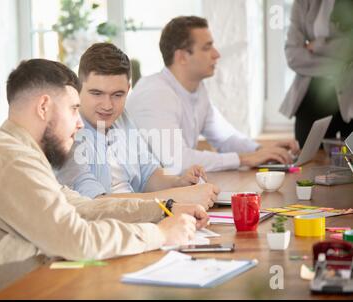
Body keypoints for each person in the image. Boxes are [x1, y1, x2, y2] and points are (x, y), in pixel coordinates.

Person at [0, 59, 209, 299]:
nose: (79, 123)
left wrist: (165, 208)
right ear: (44, 106)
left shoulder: (17, 152)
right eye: (74, 109)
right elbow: (77, 240)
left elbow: (83, 207)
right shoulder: (9, 160)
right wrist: (161, 234)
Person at [126, 16, 300, 174]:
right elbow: (177, 162)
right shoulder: (155, 94)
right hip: (144, 200)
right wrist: (244, 158)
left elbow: (225, 138)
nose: (217, 54)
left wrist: (261, 150)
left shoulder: (197, 89)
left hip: (174, 193)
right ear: (181, 57)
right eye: (207, 47)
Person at [56, 43, 219, 209]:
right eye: (97, 93)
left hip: (142, 218)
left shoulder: (122, 118)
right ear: (78, 88)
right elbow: (94, 203)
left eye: (117, 95)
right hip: (110, 225)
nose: (107, 105)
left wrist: (178, 182)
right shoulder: (68, 133)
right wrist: (178, 197)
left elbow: (148, 173)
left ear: (128, 89)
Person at [280, 0, 353, 147]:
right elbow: (293, 55)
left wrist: (318, 45)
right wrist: (342, 65)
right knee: (308, 163)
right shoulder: (303, 3)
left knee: (348, 165)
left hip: (350, 95)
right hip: (310, 98)